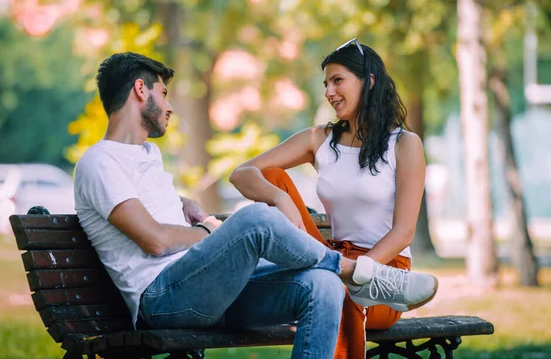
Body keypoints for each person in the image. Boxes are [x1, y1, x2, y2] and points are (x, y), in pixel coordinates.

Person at [73, 52, 438, 359]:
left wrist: (184, 204)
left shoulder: (145, 155)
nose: (169, 106)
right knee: (256, 220)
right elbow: (155, 241)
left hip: (207, 288)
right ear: (140, 90)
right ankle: (355, 272)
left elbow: (147, 210)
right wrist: (209, 231)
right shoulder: (100, 162)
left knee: (322, 286)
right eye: (163, 94)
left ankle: (344, 274)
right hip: (164, 299)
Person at [230, 38, 437, 358]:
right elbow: (241, 173)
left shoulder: (404, 144)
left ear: (368, 82)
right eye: (326, 83)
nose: (328, 91)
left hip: (383, 274)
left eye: (337, 80)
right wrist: (280, 198)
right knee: (271, 175)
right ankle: (340, 275)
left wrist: (359, 270)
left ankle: (347, 278)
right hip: (330, 259)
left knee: (337, 290)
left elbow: (404, 232)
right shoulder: (319, 139)